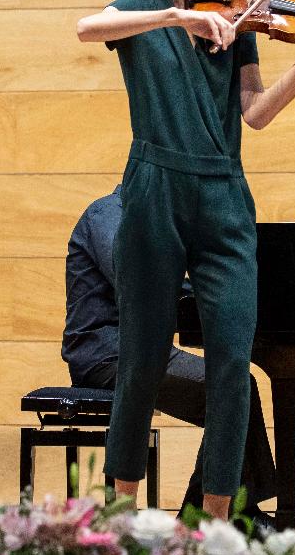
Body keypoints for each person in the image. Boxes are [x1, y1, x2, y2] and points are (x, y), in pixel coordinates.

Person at [76, 0, 295, 521]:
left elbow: (256, 113)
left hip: (225, 196)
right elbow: (86, 28)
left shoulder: (238, 21)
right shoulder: (142, 11)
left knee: (232, 364)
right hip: (154, 190)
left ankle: (215, 526)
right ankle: (119, 520)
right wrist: (176, 18)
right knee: (142, 358)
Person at [63, 186, 278, 519]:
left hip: (143, 351)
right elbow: (136, 281)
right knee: (232, 388)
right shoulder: (108, 215)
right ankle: (208, 518)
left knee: (236, 386)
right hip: (105, 353)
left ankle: (230, 510)